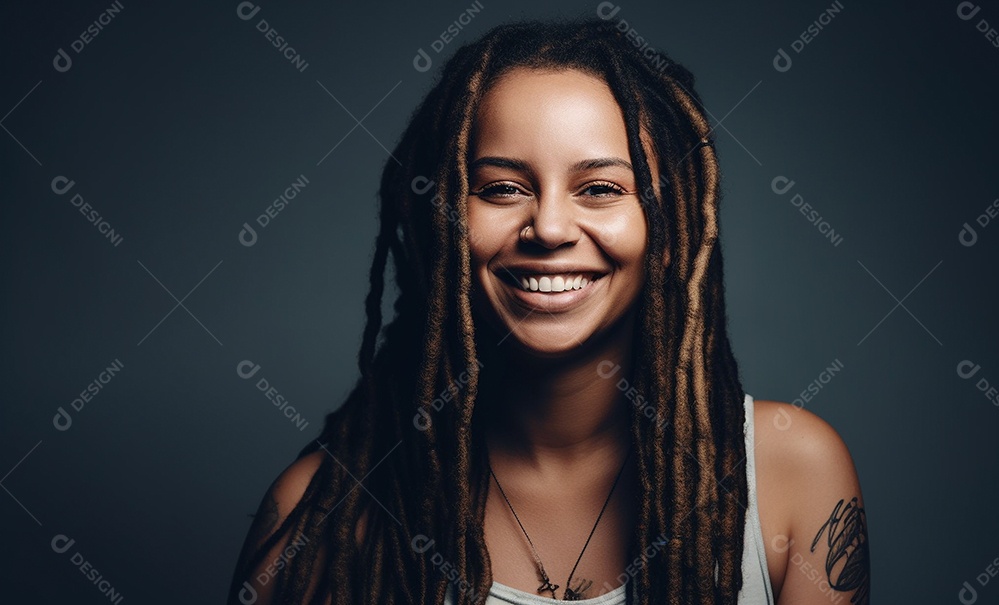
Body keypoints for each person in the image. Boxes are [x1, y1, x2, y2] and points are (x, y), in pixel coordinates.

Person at [227, 17, 870, 605]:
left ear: (669, 226)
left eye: (601, 189)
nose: (551, 228)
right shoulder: (320, 517)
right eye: (503, 188)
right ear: (443, 217)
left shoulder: (792, 477)